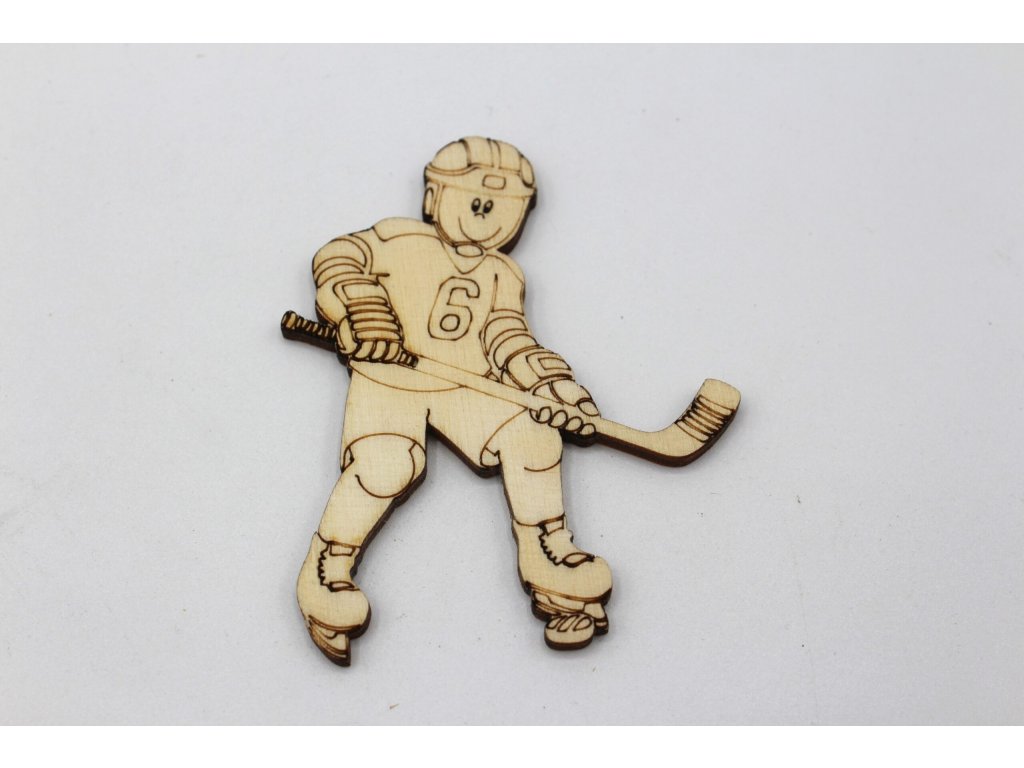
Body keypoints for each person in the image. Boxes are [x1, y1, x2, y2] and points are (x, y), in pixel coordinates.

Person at [296, 137, 612, 665]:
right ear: (433, 196)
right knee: (387, 466)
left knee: (533, 435)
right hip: (391, 380)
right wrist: (361, 305)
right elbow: (339, 256)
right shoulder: (398, 237)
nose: (485, 212)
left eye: (504, 204)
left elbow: (508, 337)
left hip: (468, 385)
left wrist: (552, 385)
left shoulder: (504, 273)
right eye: (474, 196)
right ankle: (330, 562)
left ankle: (548, 552)